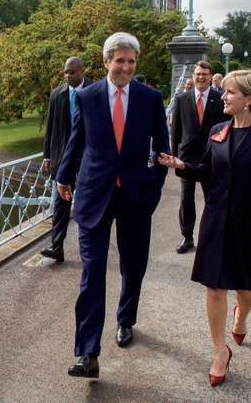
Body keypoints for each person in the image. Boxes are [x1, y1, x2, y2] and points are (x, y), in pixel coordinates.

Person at [158, 69, 251, 387]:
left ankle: (241, 316)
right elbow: (206, 170)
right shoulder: (218, 129)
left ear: (250, 99)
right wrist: (182, 165)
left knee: (247, 289)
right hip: (216, 219)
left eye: (230, 92)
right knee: (215, 288)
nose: (223, 96)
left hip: (250, 220)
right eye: (225, 91)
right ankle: (219, 352)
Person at [56, 32, 169, 378]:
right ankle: (87, 352)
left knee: (133, 265)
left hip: (136, 196)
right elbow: (77, 141)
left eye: (131, 61)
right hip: (93, 195)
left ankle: (126, 319)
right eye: (119, 61)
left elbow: (161, 149)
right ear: (106, 62)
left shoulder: (150, 98)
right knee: (91, 274)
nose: (126, 67)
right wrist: (63, 177)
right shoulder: (87, 97)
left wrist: (154, 188)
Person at [170, 60, 229, 254]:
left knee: (212, 198)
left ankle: (212, 235)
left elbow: (226, 130)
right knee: (186, 198)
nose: (201, 77)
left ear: (211, 76)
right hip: (186, 158)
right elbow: (176, 131)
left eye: (204, 74)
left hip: (212, 157)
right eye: (197, 74)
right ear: (193, 76)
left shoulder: (220, 98)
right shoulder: (181, 99)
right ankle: (187, 236)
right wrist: (173, 156)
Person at [40, 57, 91, 263]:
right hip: (63, 157)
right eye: (65, 72)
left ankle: (89, 249)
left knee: (88, 201)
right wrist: (47, 155)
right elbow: (50, 127)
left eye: (72, 72)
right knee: (61, 202)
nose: (68, 76)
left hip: (88, 155)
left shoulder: (95, 92)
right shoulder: (56, 95)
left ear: (81, 71)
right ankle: (57, 247)